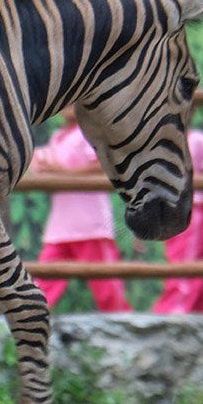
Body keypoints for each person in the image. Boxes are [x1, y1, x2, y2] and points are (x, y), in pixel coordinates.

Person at [31, 106, 132, 312]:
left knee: (108, 291)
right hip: (60, 226)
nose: (67, 108)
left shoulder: (92, 133)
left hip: (90, 224)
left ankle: (125, 333)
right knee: (43, 287)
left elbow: (103, 166)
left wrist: (61, 172)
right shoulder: (58, 137)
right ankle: (28, 328)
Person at [152, 126, 203, 314]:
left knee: (186, 267)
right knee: (186, 264)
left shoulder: (198, 140)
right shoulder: (158, 142)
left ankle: (171, 314)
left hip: (192, 210)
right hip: (168, 212)